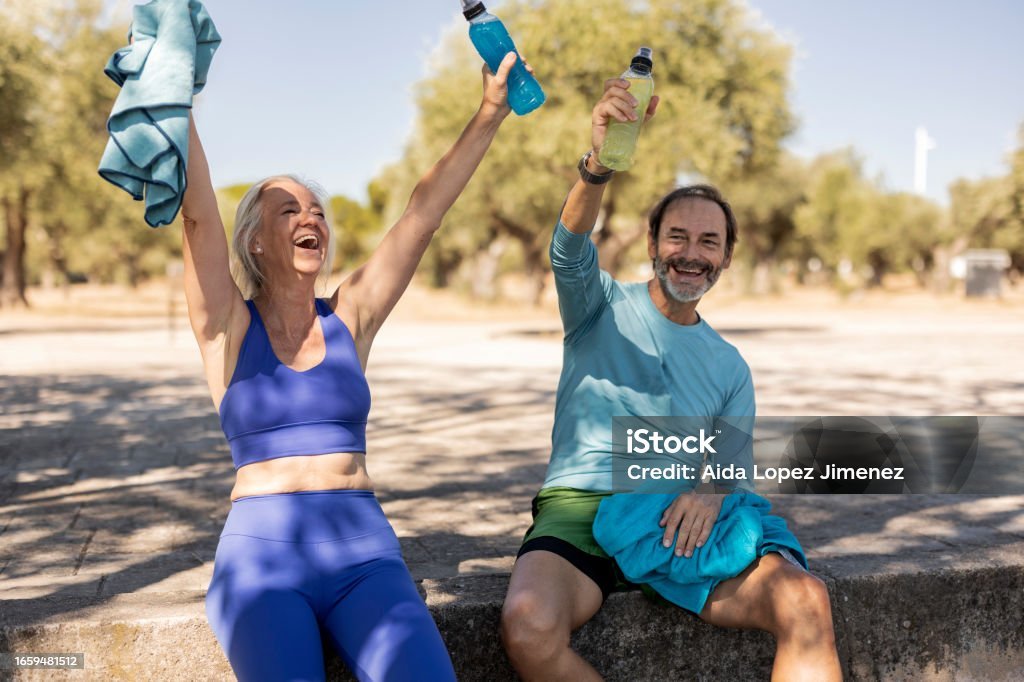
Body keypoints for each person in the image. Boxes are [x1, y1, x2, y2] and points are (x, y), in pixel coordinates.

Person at [184, 53, 524, 682]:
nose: (310, 217)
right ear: (256, 239)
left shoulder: (351, 316)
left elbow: (422, 215)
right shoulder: (228, 328)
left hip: (364, 553)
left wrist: (490, 113)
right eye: (289, 210)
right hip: (261, 559)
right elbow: (200, 215)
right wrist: (178, 99)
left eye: (316, 210)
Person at [500, 78, 842, 681]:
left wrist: (710, 489)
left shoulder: (730, 367)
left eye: (709, 242)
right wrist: (599, 164)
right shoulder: (598, 306)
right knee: (528, 621)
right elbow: (567, 248)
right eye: (677, 236)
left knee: (805, 599)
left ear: (726, 258)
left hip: (673, 525)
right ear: (653, 243)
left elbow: (729, 467)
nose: (692, 253)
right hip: (581, 508)